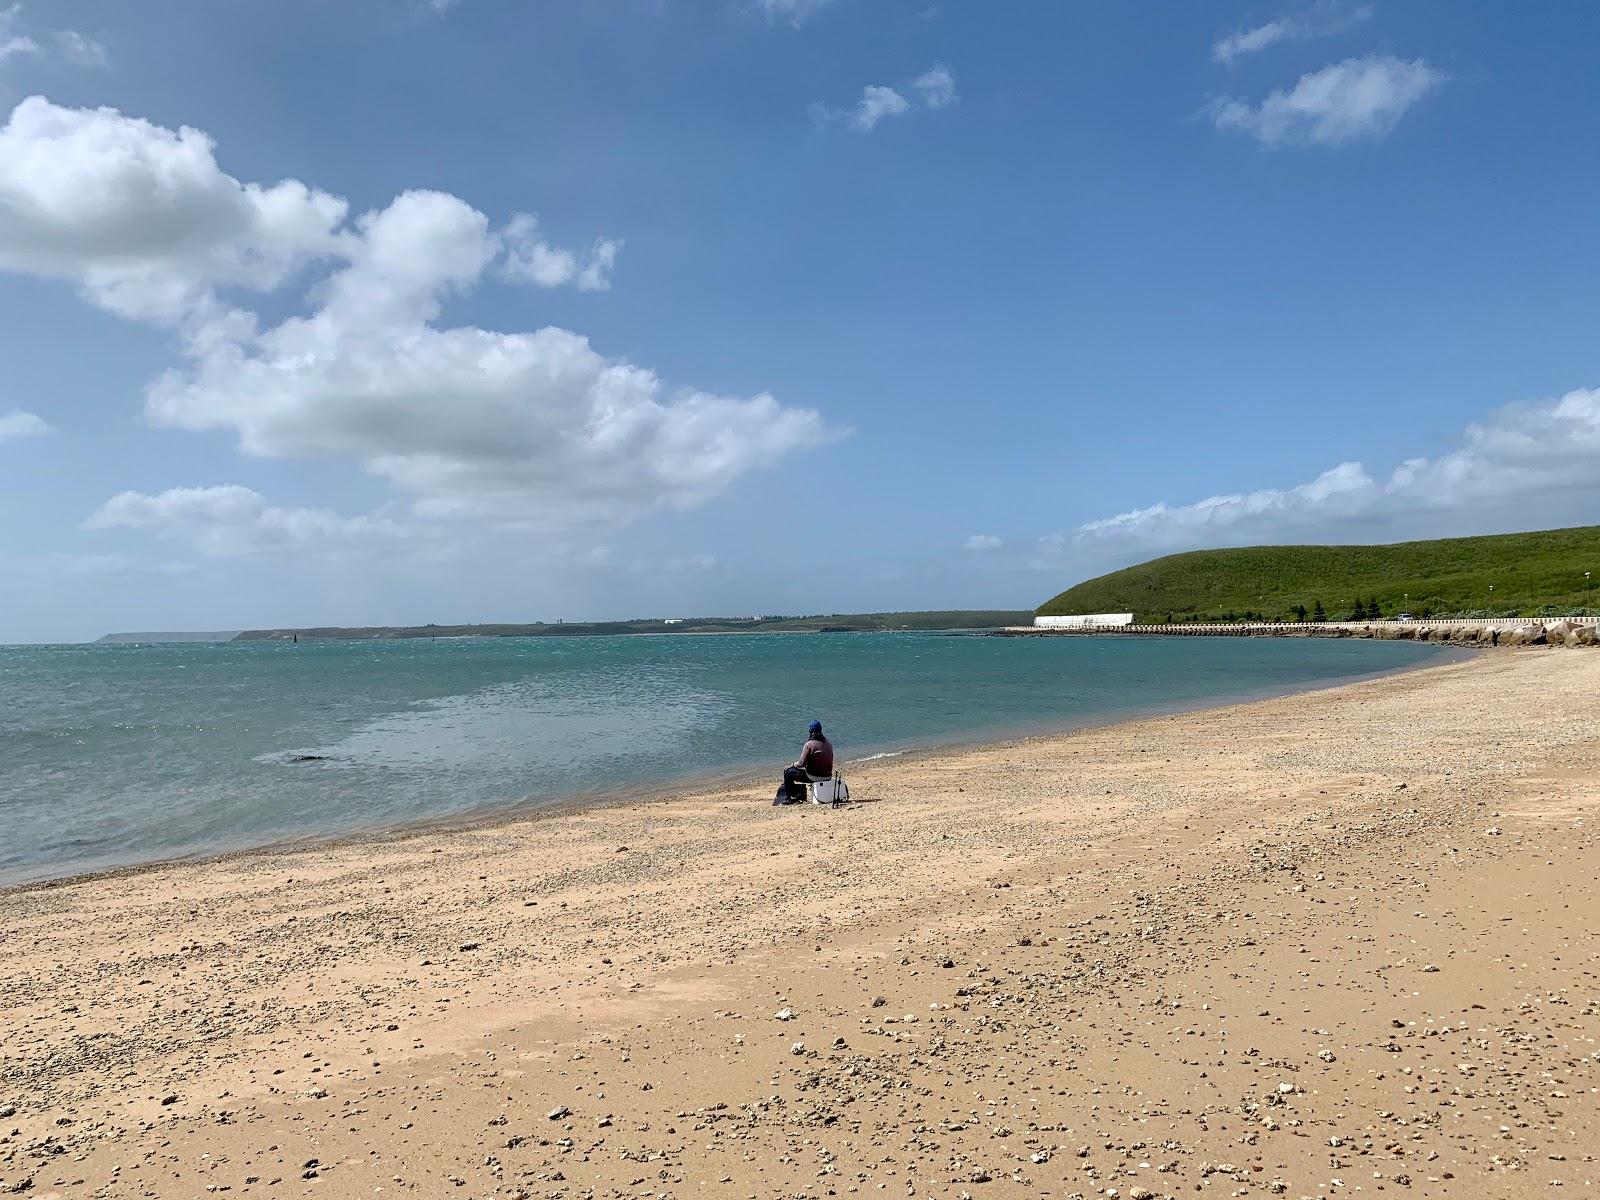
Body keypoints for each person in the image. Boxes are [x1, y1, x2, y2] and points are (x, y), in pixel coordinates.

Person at [774, 719, 834, 806]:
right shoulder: (828, 743)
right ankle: (798, 793)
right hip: (827, 776)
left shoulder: (809, 745)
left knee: (787, 772)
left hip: (814, 777)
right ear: (821, 730)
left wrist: (792, 765)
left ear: (810, 731)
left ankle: (789, 798)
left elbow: (801, 764)